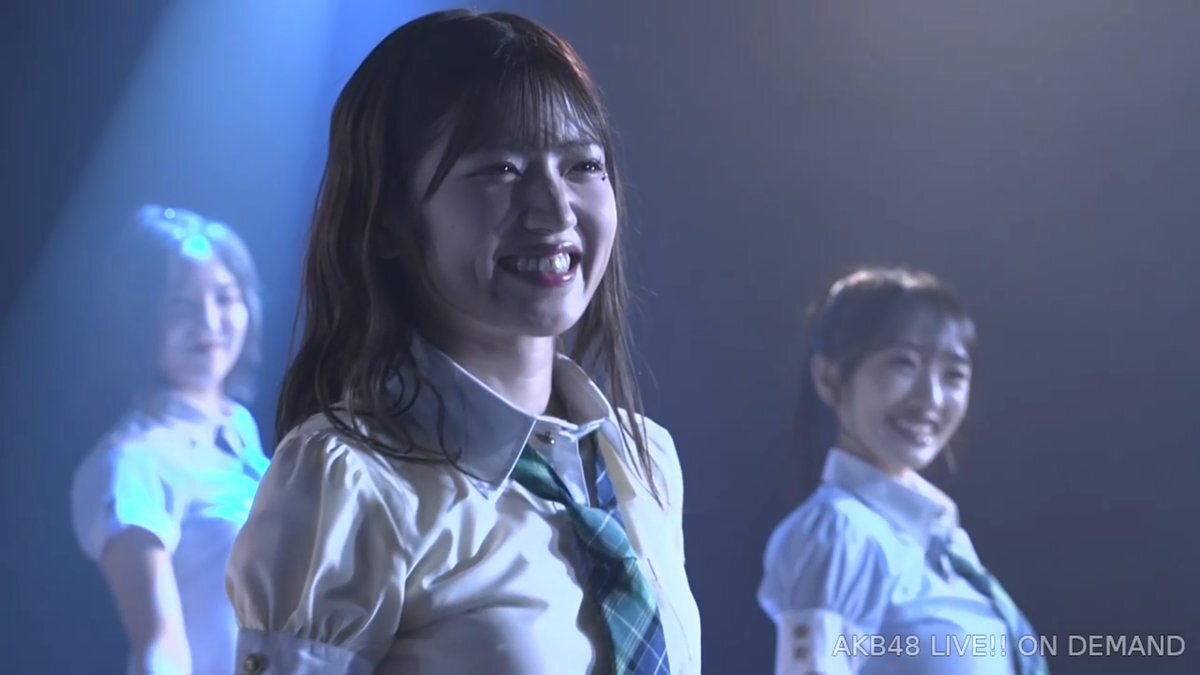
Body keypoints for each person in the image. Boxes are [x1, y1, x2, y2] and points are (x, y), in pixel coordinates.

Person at [225, 9, 701, 675]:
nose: (554, 210)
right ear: (388, 217)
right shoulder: (350, 480)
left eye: (582, 165)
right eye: (501, 168)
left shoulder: (643, 460)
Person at [757, 266, 1050, 675]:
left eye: (953, 374)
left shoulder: (942, 541)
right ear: (829, 377)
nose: (931, 398)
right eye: (903, 363)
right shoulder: (841, 535)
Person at [70, 205, 269, 675]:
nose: (210, 323)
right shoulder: (132, 461)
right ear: (138, 318)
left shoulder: (239, 426)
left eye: (225, 297)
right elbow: (162, 648)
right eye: (181, 305)